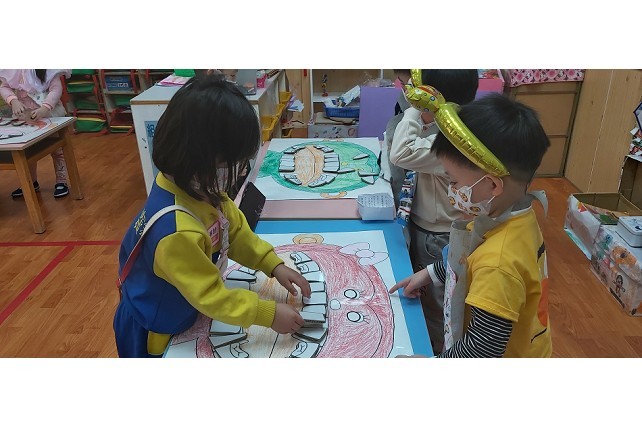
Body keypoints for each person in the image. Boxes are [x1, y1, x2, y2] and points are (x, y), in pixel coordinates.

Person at [113, 74, 311, 358]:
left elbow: (235, 232)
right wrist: (266, 313)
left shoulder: (201, 188)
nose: (239, 171)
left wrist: (272, 264)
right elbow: (209, 295)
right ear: (194, 158)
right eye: (231, 163)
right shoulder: (177, 232)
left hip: (188, 301)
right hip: (156, 329)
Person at [390, 93, 552, 357]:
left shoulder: (498, 264)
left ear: (492, 185)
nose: (451, 190)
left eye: (453, 181)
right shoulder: (514, 215)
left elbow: (480, 351)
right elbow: (470, 256)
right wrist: (431, 273)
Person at [389, 69, 479, 353]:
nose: (407, 93)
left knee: (437, 307)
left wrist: (416, 110)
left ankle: (440, 350)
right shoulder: (449, 125)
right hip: (429, 228)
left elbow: (401, 153)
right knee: (425, 294)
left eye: (413, 90)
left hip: (437, 236)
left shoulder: (452, 139)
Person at [0, 69, 71, 198]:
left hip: (50, 115)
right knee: (27, 152)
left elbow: (56, 89)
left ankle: (61, 181)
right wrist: (13, 100)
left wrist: (45, 107)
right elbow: (4, 87)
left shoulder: (48, 68)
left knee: (57, 150)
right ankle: (31, 182)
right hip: (25, 117)